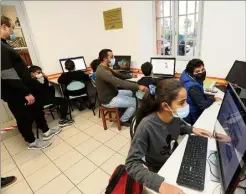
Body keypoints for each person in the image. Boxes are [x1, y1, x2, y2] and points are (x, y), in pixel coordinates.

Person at [125, 79, 213, 194]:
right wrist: (160, 184)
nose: (186, 106)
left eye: (186, 101)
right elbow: (131, 164)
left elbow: (179, 126)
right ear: (166, 106)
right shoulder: (147, 126)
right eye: (182, 103)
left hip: (173, 157)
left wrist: (192, 129)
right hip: (159, 169)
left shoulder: (174, 116)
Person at [1, 15, 60, 149]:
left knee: (37, 110)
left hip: (24, 88)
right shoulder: (1, 48)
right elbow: (7, 74)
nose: (13, 31)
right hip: (16, 92)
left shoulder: (5, 45)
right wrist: (25, 92)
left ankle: (46, 131)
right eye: (12, 28)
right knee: (24, 118)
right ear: (4, 27)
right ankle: (31, 142)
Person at [96, 49, 148, 126]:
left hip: (113, 93)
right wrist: (138, 86)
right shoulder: (102, 71)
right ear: (104, 59)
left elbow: (118, 75)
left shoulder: (105, 67)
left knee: (130, 92)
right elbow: (119, 83)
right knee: (134, 102)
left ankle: (125, 109)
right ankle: (123, 120)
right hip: (108, 99)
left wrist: (130, 76)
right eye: (111, 57)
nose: (114, 59)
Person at [180, 59, 221, 125]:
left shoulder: (185, 75)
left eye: (202, 69)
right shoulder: (193, 87)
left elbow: (197, 95)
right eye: (197, 71)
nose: (201, 72)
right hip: (193, 116)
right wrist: (213, 99)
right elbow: (203, 105)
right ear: (191, 73)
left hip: (189, 108)